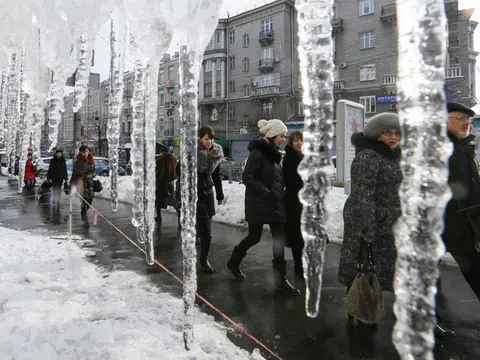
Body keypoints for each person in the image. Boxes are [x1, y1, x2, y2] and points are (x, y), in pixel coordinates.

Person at [338, 113, 402, 319]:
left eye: (397, 133)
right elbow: (363, 196)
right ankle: (357, 306)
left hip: (386, 220)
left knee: (372, 267)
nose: (393, 137)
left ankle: (365, 306)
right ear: (376, 134)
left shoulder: (391, 155)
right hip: (366, 220)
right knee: (362, 266)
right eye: (387, 132)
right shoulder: (368, 157)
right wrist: (367, 229)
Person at [227, 119, 300, 296]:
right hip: (259, 203)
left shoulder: (275, 154)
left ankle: (280, 282)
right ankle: (234, 261)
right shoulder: (257, 153)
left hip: (274, 203)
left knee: (279, 240)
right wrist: (265, 191)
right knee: (254, 237)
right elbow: (247, 177)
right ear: (273, 135)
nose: (284, 139)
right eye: (282, 136)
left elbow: (276, 178)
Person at [442, 102, 480, 301]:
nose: (467, 123)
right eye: (461, 118)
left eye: (468, 119)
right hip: (444, 224)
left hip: (463, 224)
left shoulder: (466, 147)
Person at [196, 126, 225, 273]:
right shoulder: (192, 153)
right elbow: (182, 174)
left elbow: (216, 175)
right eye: (207, 139)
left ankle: (204, 259)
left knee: (207, 230)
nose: (209, 142)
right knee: (196, 228)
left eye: (211, 139)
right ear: (200, 139)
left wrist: (220, 194)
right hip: (194, 195)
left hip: (208, 194)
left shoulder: (216, 153)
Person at [282, 131, 305, 276]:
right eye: (296, 140)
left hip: (303, 200)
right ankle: (298, 266)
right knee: (297, 234)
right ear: (291, 143)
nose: (299, 143)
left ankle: (303, 263)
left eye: (300, 140)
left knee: (304, 234)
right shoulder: (289, 159)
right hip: (294, 201)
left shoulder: (302, 157)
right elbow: (290, 181)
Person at [71, 145, 95, 227]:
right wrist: (71, 185)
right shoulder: (78, 162)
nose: (86, 153)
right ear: (81, 152)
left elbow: (94, 171)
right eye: (85, 151)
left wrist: (92, 175)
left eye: (87, 151)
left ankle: (84, 213)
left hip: (90, 184)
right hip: (81, 184)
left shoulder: (91, 160)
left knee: (89, 201)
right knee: (84, 201)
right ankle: (85, 217)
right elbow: (74, 173)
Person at [155, 152, 180, 226]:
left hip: (162, 183)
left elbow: (160, 172)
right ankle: (180, 216)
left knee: (158, 200)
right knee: (172, 200)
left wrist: (158, 180)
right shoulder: (173, 159)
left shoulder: (160, 160)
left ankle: (159, 216)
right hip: (171, 182)